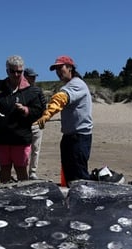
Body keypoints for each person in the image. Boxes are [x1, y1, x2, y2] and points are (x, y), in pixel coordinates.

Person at [35, 55, 92, 184]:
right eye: (56, 70)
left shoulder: (76, 84)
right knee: (70, 176)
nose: (58, 72)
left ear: (70, 67)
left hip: (79, 138)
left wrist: (48, 113)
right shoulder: (71, 84)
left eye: (61, 68)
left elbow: (61, 98)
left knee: (79, 177)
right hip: (70, 137)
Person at [0, 56, 45, 183]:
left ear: (23, 71)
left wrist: (26, 110)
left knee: (21, 169)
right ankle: (5, 196)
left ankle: (25, 198)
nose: (16, 74)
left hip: (21, 138)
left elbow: (39, 111)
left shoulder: (32, 90)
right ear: (7, 71)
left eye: (19, 71)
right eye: (12, 71)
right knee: (4, 168)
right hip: (2, 137)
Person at [24, 67, 44, 179]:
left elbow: (43, 106)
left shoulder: (38, 91)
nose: (33, 79)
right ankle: (23, 170)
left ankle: (32, 172)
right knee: (25, 150)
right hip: (24, 125)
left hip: (37, 124)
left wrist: (42, 119)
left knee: (35, 149)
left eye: (34, 77)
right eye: (31, 77)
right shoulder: (21, 91)